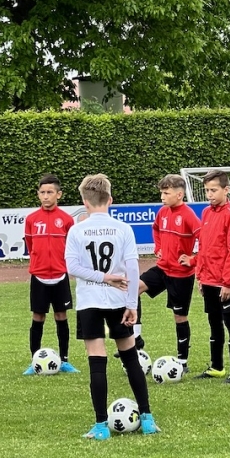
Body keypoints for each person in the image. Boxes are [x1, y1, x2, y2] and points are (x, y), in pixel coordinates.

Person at [65, 173, 159, 440]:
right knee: (130, 357)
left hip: (89, 301)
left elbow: (72, 267)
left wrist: (102, 277)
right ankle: (147, 419)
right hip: (119, 300)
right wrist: (131, 303)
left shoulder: (76, 230)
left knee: (97, 361)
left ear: (85, 201)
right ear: (110, 200)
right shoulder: (123, 228)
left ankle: (100, 426)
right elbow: (133, 269)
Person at [135, 174, 201, 370]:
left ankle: (182, 360)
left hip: (181, 275)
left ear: (179, 194)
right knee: (133, 289)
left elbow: (205, 239)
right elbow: (155, 229)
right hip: (162, 268)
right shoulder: (163, 212)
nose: (162, 197)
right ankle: (136, 339)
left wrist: (193, 259)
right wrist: (158, 247)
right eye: (161, 193)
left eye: (166, 193)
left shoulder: (188, 215)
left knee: (179, 317)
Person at [23, 174, 78, 374]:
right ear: (38, 194)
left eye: (50, 192)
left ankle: (64, 360)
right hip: (39, 275)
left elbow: (71, 247)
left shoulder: (66, 220)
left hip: (60, 275)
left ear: (58, 194)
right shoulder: (31, 219)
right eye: (42, 192)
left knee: (61, 315)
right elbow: (31, 246)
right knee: (38, 316)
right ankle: (34, 361)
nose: (46, 196)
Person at [194, 169, 230, 384]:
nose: (209, 194)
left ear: (226, 190)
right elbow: (203, 247)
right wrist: (200, 276)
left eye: (213, 190)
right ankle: (217, 367)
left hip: (224, 282)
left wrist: (228, 283)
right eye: (207, 190)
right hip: (208, 280)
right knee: (214, 323)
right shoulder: (206, 213)